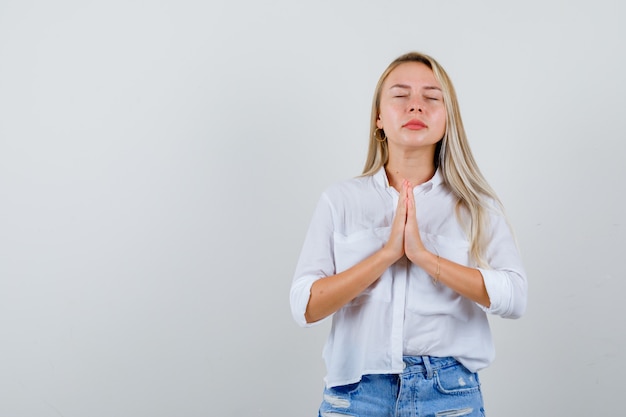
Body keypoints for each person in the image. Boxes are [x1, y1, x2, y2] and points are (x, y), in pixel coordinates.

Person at [289, 51, 528, 417]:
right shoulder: (340, 200)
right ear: (379, 118)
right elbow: (304, 306)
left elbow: (515, 297)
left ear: (448, 119)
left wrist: (424, 258)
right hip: (356, 394)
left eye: (432, 98)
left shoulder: (476, 205)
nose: (416, 107)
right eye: (401, 96)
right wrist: (385, 255)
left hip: (449, 394)